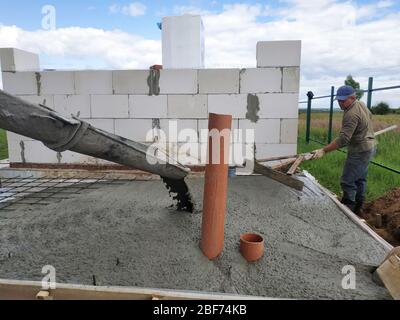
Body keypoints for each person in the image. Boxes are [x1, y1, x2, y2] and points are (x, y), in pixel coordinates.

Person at [311, 85, 376, 215]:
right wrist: (362, 131)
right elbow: (370, 116)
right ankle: (359, 207)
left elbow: (343, 139)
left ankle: (348, 209)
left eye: (343, 100)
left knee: (348, 181)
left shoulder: (351, 114)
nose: (340, 103)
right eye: (339, 100)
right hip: (369, 146)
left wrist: (324, 150)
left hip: (359, 150)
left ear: (352, 97)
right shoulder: (361, 104)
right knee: (360, 179)